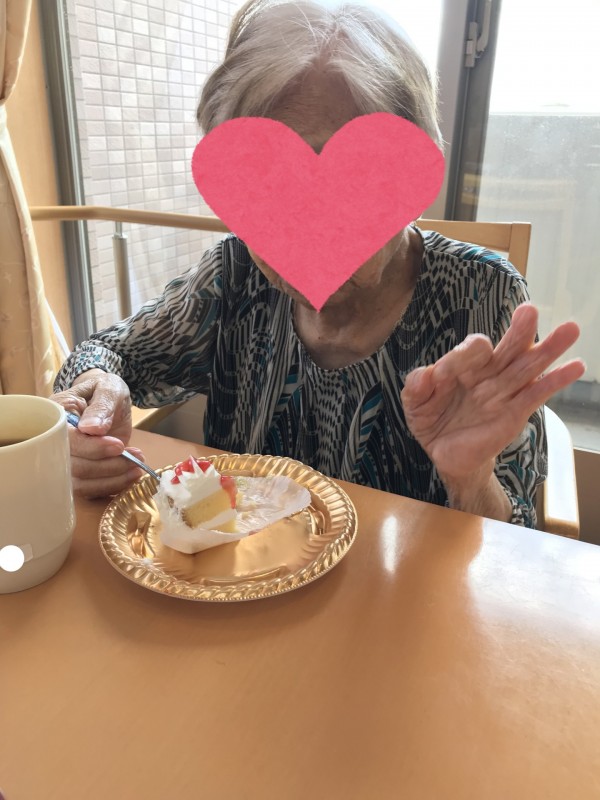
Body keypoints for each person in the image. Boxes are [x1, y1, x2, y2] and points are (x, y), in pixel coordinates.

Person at [52, 0, 584, 528]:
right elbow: (111, 352)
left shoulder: (481, 294)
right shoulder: (233, 276)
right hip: (240, 571)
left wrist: (471, 479)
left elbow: (517, 542)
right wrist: (94, 398)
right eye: (266, 182)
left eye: (350, 182)